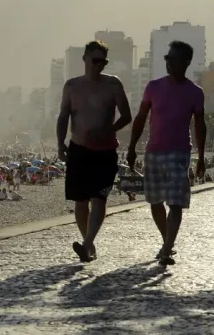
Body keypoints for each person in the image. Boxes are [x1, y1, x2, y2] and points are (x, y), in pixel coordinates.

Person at [128, 40, 206, 266]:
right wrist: (132, 147)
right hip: (153, 152)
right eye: (167, 58)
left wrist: (201, 157)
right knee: (155, 202)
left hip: (179, 153)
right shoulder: (153, 87)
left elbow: (200, 125)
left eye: (172, 59)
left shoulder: (195, 92)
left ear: (186, 62)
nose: (168, 63)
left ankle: (167, 249)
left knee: (176, 203)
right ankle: (167, 243)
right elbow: (141, 118)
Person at [57, 40, 132, 263]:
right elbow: (63, 116)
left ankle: (87, 244)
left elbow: (127, 116)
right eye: (95, 60)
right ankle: (88, 243)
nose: (99, 65)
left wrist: (107, 130)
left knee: (99, 198)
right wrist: (60, 144)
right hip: (78, 149)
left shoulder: (113, 85)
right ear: (85, 59)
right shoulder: (71, 86)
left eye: (103, 61)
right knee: (80, 202)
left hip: (105, 150)